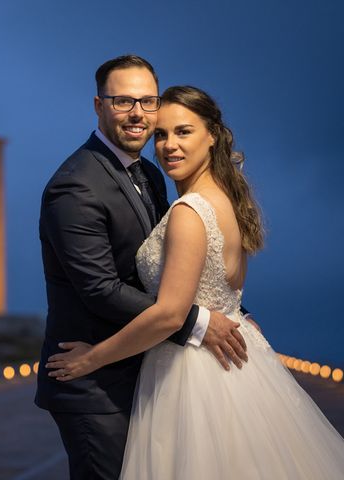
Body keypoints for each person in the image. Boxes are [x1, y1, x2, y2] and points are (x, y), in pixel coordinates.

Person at [46, 85, 344, 478]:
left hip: (192, 375)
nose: (169, 145)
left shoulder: (189, 211)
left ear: (213, 135)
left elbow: (170, 315)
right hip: (240, 364)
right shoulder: (228, 201)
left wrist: (91, 358)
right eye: (162, 135)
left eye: (183, 131)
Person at [34, 55, 252, 480]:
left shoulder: (150, 174)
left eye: (147, 101)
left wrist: (234, 313)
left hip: (146, 372)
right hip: (92, 385)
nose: (138, 113)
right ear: (99, 106)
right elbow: (100, 288)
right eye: (123, 101)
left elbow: (179, 265)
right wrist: (200, 321)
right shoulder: (75, 185)